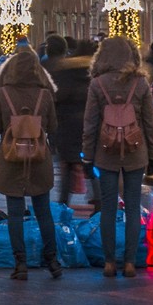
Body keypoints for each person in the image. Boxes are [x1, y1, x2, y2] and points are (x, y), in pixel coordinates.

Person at [82, 35, 153, 279]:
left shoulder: (97, 84)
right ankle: (131, 262)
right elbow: (150, 123)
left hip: (106, 152)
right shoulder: (141, 84)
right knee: (133, 207)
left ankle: (110, 262)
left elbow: (90, 124)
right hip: (136, 152)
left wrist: (87, 158)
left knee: (108, 208)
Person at [0, 47, 62, 280]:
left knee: (15, 213)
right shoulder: (45, 95)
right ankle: (52, 260)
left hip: (11, 160)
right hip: (39, 159)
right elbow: (53, 127)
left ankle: (20, 264)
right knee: (43, 211)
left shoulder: (2, 94)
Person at [47, 37, 91, 207]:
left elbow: (57, 97)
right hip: (88, 128)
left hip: (66, 127)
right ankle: (98, 204)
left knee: (67, 168)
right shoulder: (95, 73)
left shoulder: (64, 71)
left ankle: (63, 204)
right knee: (92, 169)